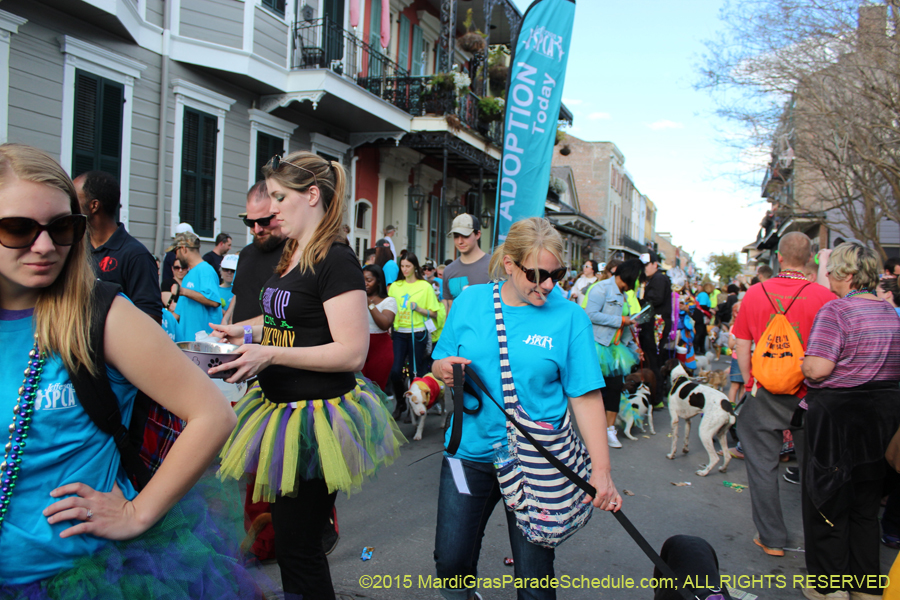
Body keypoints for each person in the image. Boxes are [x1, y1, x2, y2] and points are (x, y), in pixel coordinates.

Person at [0, 143, 253, 596]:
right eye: (18, 229)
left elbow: (213, 414)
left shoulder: (103, 315)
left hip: (81, 576)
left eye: (62, 227)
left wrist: (138, 513)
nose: (44, 246)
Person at [209, 150, 405, 600]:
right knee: (293, 544)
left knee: (299, 549)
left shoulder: (336, 259)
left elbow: (351, 352)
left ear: (312, 196)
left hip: (316, 421)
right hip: (281, 411)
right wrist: (242, 330)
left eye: (279, 197)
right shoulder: (294, 253)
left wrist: (270, 355)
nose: (271, 208)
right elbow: (288, 319)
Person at [430, 217, 621, 600]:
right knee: (451, 562)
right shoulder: (470, 302)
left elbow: (585, 398)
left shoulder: (570, 319)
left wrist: (601, 472)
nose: (548, 285)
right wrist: (441, 371)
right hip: (468, 456)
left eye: (557, 274)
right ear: (510, 265)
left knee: (534, 578)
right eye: (537, 274)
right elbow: (439, 360)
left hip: (538, 463)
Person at [800, 242, 900, 600]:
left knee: (827, 499)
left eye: (833, 268)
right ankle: (866, 586)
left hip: (838, 418)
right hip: (883, 419)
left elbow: (819, 368)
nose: (827, 274)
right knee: (866, 504)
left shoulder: (837, 311)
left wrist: (804, 363)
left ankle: (830, 587)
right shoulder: (892, 314)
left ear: (849, 274)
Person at [732, 231, 835, 558]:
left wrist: (750, 384)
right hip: (810, 393)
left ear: (778, 257)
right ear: (809, 259)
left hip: (764, 394)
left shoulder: (755, 293)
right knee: (815, 470)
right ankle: (821, 542)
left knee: (763, 467)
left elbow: (743, 346)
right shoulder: (824, 297)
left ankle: (772, 538)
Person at [74, 170, 163, 323]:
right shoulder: (76, 248)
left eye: (74, 199)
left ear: (94, 205)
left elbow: (151, 318)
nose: (69, 205)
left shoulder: (136, 255)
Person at [585, 258, 643, 449]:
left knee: (615, 389)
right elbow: (590, 314)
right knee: (595, 392)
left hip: (617, 349)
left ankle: (610, 430)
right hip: (597, 346)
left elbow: (626, 327)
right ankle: (593, 431)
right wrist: (620, 320)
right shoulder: (601, 288)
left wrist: (635, 348)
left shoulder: (625, 294)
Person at [388, 252, 441, 417]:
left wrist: (418, 308)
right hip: (399, 333)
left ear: (415, 267)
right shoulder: (395, 286)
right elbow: (389, 308)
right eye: (402, 266)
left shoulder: (424, 286)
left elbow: (434, 313)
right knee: (396, 371)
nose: (404, 269)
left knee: (415, 372)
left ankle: (414, 407)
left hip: (417, 333)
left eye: (408, 266)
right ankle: (401, 402)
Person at [229, 181, 288, 326]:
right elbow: (239, 296)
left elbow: (291, 312)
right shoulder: (246, 253)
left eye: (264, 221)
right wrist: (227, 326)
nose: (257, 230)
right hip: (238, 345)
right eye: (250, 222)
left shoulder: (295, 254)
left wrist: (242, 330)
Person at [165, 231, 221, 342]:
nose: (175, 256)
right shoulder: (187, 277)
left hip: (204, 343)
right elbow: (177, 314)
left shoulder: (205, 270)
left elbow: (214, 301)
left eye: (176, 251)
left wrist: (183, 291)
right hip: (187, 341)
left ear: (183, 249)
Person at [639, 251, 672, 404]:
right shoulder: (654, 279)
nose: (644, 268)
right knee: (652, 360)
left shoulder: (659, 279)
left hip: (656, 326)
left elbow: (654, 300)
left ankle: (656, 398)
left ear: (655, 264)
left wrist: (641, 299)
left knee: (654, 361)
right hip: (653, 324)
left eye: (646, 265)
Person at [442, 214, 490, 312]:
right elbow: (451, 309)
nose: (460, 241)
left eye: (465, 235)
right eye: (456, 236)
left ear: (478, 234)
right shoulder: (449, 270)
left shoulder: (494, 266)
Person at [362, 263, 396, 391]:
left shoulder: (389, 301)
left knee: (375, 391)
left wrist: (369, 303)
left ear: (379, 281)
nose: (365, 283)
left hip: (380, 349)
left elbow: (384, 324)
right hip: (360, 346)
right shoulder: (357, 298)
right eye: (362, 280)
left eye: (369, 280)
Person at [218, 253, 237, 318]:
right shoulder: (214, 290)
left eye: (232, 270)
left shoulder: (240, 292)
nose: (229, 272)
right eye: (226, 269)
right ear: (221, 270)